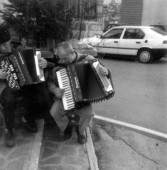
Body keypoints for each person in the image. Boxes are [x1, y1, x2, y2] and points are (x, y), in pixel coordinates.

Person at [47, 41, 111, 144]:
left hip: (83, 100)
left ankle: (81, 132)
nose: (60, 60)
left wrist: (106, 72)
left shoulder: (88, 60)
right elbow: (49, 82)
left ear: (71, 53)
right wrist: (54, 89)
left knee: (89, 113)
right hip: (64, 97)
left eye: (63, 58)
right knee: (54, 112)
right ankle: (66, 126)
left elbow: (104, 75)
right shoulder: (59, 64)